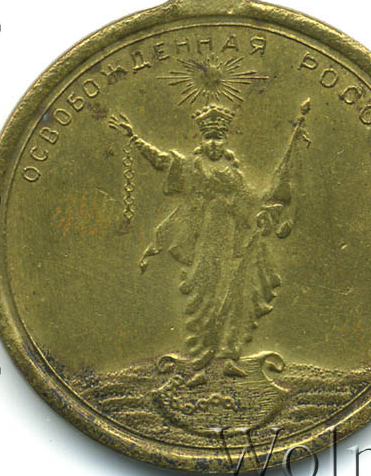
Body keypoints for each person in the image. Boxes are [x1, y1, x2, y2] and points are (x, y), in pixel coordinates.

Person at [112, 104, 287, 387]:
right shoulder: (193, 167)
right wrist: (135, 139)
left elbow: (250, 200)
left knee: (234, 297)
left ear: (225, 140)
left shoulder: (233, 172)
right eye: (209, 138)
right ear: (202, 140)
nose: (214, 143)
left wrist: (267, 209)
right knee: (204, 301)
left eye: (219, 138)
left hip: (232, 242)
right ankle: (201, 366)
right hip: (204, 243)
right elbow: (162, 161)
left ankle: (229, 358)